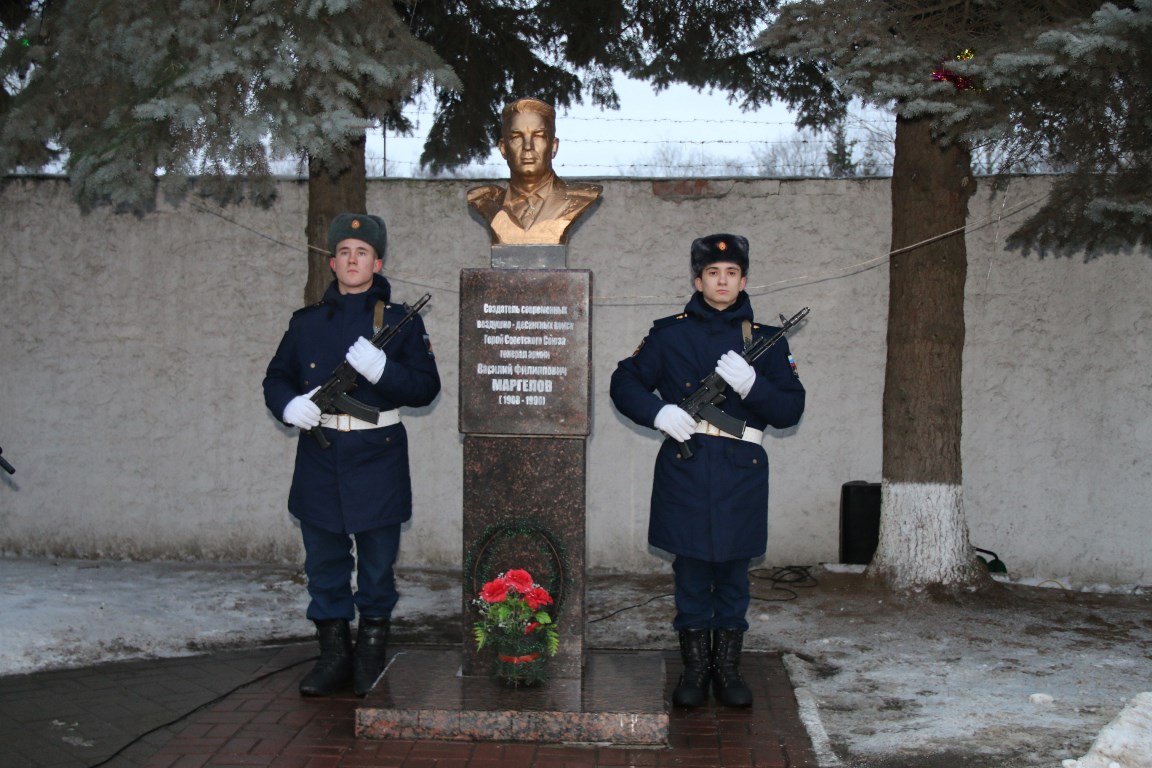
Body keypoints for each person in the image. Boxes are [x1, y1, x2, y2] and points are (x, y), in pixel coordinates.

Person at [609, 234, 806, 709]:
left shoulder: (766, 342)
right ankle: (696, 671)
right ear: (698, 279)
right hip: (688, 467)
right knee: (692, 573)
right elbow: (624, 381)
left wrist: (755, 385)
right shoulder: (669, 335)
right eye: (713, 273)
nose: (722, 280)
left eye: (732, 273)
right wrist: (657, 414)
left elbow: (790, 409)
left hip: (741, 468)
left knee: (734, 575)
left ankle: (729, 670)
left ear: (743, 280)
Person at [263, 213, 440, 697]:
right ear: (334, 262)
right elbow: (276, 377)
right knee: (324, 562)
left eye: (362, 252)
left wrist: (385, 371)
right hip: (320, 457)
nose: (352, 259)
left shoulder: (401, 321)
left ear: (377, 261)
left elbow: (426, 387)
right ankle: (334, 656)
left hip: (377, 456)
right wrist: (289, 405)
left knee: (377, 566)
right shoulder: (306, 322)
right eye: (343, 252)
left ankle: (369, 655)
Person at [467, 97, 601, 245]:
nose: (528, 146)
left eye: (538, 136)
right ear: (503, 148)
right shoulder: (486, 201)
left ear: (553, 147)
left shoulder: (580, 198)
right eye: (516, 137)